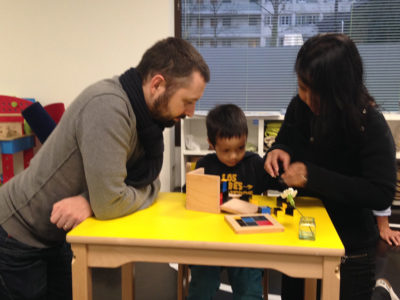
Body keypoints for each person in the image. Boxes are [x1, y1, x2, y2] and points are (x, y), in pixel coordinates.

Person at [0, 37, 210, 300]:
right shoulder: (109, 107)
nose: (191, 112)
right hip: (18, 232)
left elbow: (140, 183)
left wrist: (92, 201)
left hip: (61, 231)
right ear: (157, 84)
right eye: (188, 101)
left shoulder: (147, 121)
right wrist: (105, 200)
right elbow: (113, 202)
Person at [264, 33, 397, 299]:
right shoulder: (299, 107)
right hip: (301, 237)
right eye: (301, 87)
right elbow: (287, 140)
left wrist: (311, 176)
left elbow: (380, 192)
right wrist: (279, 150)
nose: (305, 97)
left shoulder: (368, 123)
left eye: (315, 91)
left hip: (350, 248)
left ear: (340, 90)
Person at [187, 104, 274, 300]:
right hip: (209, 241)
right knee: (202, 283)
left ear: (246, 138)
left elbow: (277, 182)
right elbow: (191, 198)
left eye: (240, 148)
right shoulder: (205, 166)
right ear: (211, 143)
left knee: (249, 288)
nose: (234, 156)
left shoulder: (255, 164)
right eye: (226, 150)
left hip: (246, 242)